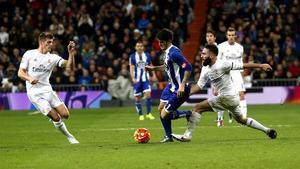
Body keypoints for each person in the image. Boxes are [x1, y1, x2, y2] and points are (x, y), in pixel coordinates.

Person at [172, 44, 277, 142]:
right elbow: (199, 86)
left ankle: (187, 135)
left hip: (227, 97)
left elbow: (243, 65)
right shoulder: (205, 68)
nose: (201, 55)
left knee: (197, 108)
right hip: (233, 99)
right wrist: (185, 94)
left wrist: (261, 65)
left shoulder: (223, 64)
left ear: (212, 55)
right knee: (241, 120)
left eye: (204, 53)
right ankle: (267, 130)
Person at [18, 32, 79, 144]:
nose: (51, 44)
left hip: (47, 90)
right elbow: (20, 73)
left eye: (52, 42)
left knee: (65, 115)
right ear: (41, 42)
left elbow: (69, 67)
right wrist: (29, 78)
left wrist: (71, 54)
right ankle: (70, 137)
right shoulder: (29, 54)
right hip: (34, 93)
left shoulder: (53, 57)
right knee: (56, 117)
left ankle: (52, 116)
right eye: (49, 42)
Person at [145, 28, 199, 142]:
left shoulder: (174, 53)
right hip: (171, 86)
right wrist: (153, 68)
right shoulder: (167, 52)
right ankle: (168, 136)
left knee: (164, 115)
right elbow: (167, 68)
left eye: (162, 42)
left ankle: (188, 114)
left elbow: (188, 67)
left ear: (169, 40)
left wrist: (182, 85)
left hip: (180, 89)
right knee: (160, 109)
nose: (159, 44)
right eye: (159, 42)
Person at [217, 27, 246, 124]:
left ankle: (244, 119)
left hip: (236, 73)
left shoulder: (240, 48)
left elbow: (240, 62)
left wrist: (241, 76)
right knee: (221, 96)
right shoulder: (220, 47)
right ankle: (220, 119)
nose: (231, 37)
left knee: (241, 95)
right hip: (225, 73)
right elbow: (218, 62)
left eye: (233, 35)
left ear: (236, 36)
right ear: (226, 36)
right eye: (229, 35)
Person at [129, 41, 155, 120]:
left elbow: (150, 65)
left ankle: (148, 113)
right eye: (138, 46)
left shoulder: (147, 55)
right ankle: (140, 114)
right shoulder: (132, 56)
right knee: (137, 97)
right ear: (135, 47)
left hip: (145, 79)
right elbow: (131, 68)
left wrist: (153, 75)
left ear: (143, 47)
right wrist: (133, 78)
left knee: (148, 94)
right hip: (137, 80)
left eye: (141, 46)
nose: (139, 47)